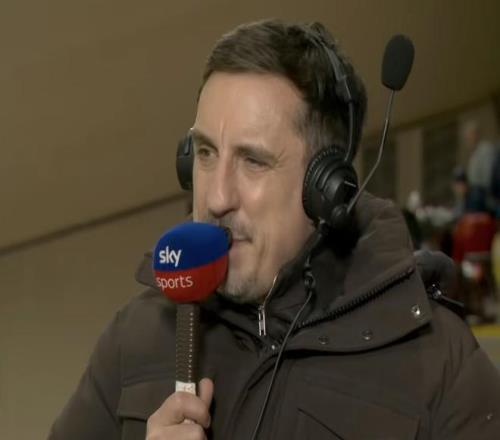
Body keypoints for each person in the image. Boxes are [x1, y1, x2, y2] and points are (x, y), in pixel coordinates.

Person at [48, 20, 500, 440]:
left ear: (325, 189)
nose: (216, 197)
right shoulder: (136, 335)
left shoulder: (440, 364)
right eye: (205, 154)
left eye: (253, 161)